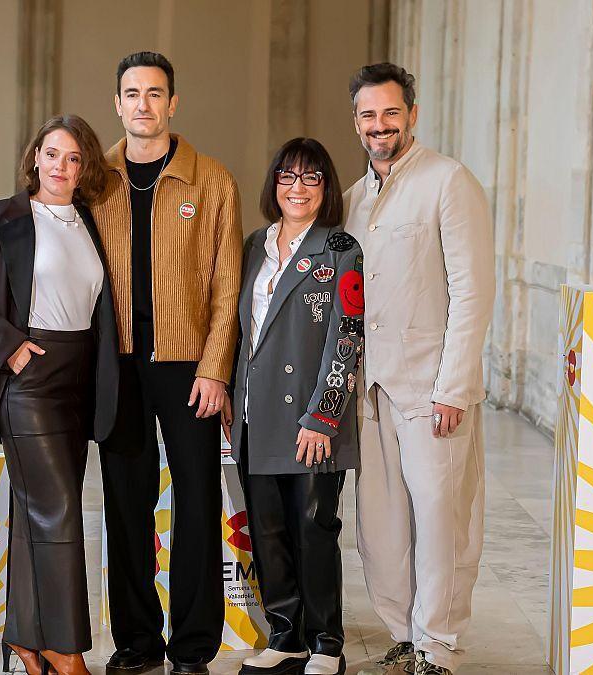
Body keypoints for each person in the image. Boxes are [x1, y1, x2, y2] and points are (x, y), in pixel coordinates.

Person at [0, 115, 120, 675]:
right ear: (34, 157)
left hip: (78, 380)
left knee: (35, 512)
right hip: (29, 377)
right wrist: (12, 349)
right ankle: (65, 651)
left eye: (73, 158)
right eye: (52, 154)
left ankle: (24, 639)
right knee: (62, 511)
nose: (61, 168)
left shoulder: (92, 223)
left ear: (86, 166)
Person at [91, 51, 243, 675]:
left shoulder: (212, 181)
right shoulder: (95, 180)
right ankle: (135, 642)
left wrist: (215, 369)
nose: (144, 104)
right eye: (132, 93)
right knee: (125, 502)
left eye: (155, 93)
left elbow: (228, 285)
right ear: (118, 103)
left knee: (198, 502)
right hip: (118, 364)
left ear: (173, 103)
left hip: (188, 365)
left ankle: (193, 647)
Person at [342, 63, 495, 675]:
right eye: (368, 115)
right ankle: (404, 631)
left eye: (390, 113)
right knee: (381, 526)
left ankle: (439, 645)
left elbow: (473, 292)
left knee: (440, 522)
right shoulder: (353, 199)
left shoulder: (448, 182)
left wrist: (454, 385)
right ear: (356, 122)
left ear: (411, 114)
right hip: (370, 389)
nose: (380, 126)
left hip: (432, 389)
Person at [226, 138, 363, 675]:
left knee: (313, 529)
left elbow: (346, 338)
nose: (298, 188)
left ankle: (327, 642)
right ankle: (286, 635)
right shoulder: (255, 244)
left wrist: (324, 416)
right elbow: (244, 330)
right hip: (256, 414)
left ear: (326, 187)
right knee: (269, 531)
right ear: (274, 185)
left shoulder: (340, 247)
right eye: (287, 177)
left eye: (311, 178)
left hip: (311, 418)